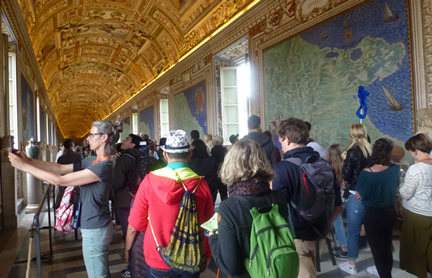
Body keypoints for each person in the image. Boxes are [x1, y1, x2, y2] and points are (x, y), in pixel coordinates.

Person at [9, 120, 122, 278]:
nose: (88, 138)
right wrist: (27, 160)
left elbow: (59, 180)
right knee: (100, 272)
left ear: (104, 138)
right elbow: (59, 168)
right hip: (94, 224)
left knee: (98, 275)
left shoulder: (103, 166)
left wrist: (24, 167)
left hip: (96, 227)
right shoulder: (91, 161)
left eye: (91, 135)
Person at [124, 129, 214, 277]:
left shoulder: (149, 182)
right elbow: (209, 225)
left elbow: (135, 224)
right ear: (189, 154)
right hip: (190, 258)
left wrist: (127, 250)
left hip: (156, 257)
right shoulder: (201, 184)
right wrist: (207, 253)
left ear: (165, 155)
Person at [272, 118, 343, 278]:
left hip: (296, 236)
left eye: (280, 140)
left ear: (287, 139)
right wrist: (324, 225)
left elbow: (274, 209)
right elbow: (339, 207)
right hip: (320, 232)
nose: (280, 144)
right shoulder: (325, 165)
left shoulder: (283, 169)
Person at [209, 139, 288, 277]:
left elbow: (230, 267)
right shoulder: (279, 198)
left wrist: (213, 239)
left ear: (230, 165)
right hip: (276, 271)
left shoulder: (229, 208)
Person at [356, 138, 400, 278]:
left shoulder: (367, 173)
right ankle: (387, 273)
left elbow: (360, 195)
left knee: (377, 249)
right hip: (389, 212)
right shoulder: (395, 169)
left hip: (373, 215)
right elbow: (396, 186)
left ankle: (385, 275)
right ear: (389, 153)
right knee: (387, 246)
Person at [339, 123, 372, 275]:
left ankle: (351, 265)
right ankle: (378, 264)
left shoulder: (352, 152)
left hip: (356, 193)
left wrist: (345, 159)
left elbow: (346, 175)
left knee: (353, 231)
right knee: (374, 230)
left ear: (352, 135)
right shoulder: (372, 151)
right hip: (371, 194)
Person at [399, 133, 432, 278]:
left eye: (411, 151)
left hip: (417, 214)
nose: (411, 155)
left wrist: (400, 185)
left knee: (416, 248)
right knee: (429, 246)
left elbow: (406, 193)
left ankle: (420, 274)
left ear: (416, 150)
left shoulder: (415, 169)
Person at [112, 133, 145, 277]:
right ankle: (141, 265)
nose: (123, 141)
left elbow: (117, 182)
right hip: (141, 198)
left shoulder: (124, 159)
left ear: (132, 145)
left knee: (128, 233)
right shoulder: (143, 157)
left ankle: (131, 267)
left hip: (126, 200)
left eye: (127, 140)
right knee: (140, 234)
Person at [325, 144, 348, 259]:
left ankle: (344, 248)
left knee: (337, 223)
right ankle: (339, 245)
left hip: (333, 198)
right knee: (338, 222)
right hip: (343, 198)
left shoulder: (327, 167)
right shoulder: (343, 166)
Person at [55, 138, 83, 209]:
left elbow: (59, 171)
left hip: (64, 182)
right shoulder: (78, 156)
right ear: (72, 145)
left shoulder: (61, 158)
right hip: (76, 181)